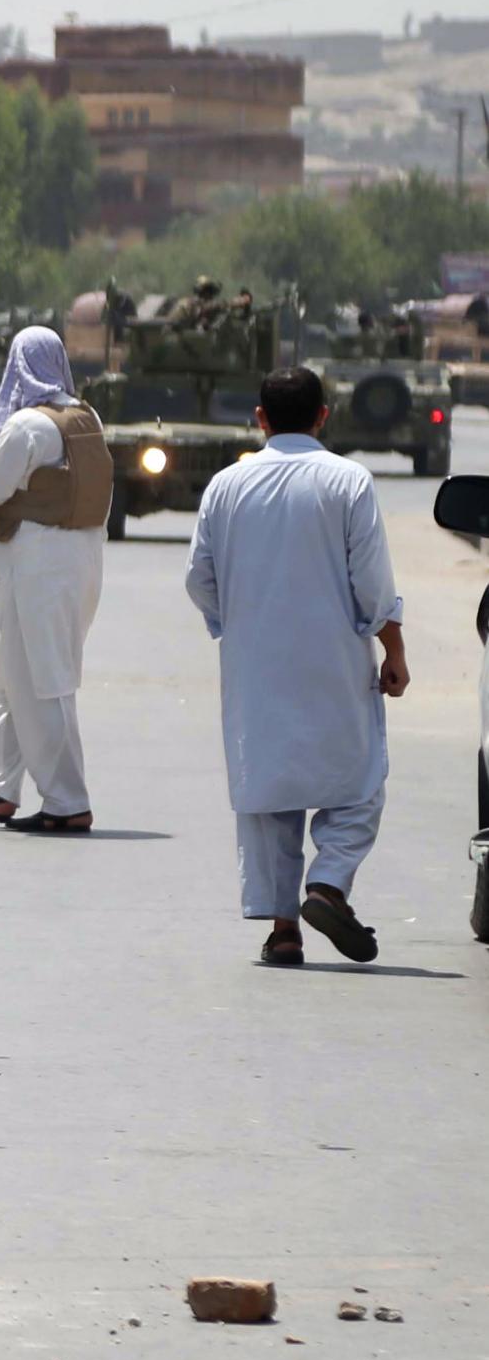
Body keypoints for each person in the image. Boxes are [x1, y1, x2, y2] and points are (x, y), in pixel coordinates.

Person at [185, 367, 408, 967]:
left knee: (267, 790)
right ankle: (328, 882)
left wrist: (234, 622)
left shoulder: (225, 486)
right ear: (323, 416)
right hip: (334, 659)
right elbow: (373, 582)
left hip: (254, 665)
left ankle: (285, 928)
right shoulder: (349, 482)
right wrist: (394, 649)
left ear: (259, 418)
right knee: (359, 779)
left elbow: (199, 578)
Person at [0, 327, 111, 835]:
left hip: (35, 572)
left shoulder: (25, 428)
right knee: (10, 680)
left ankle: (67, 801)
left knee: (41, 683)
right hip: (75, 565)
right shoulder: (85, 417)